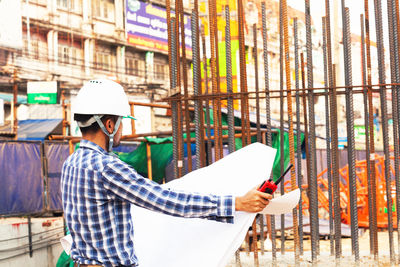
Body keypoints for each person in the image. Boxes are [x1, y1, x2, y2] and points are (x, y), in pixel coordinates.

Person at [61, 79, 272, 267]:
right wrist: (237, 203)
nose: (121, 129)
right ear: (109, 124)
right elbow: (166, 200)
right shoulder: (107, 167)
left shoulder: (71, 164)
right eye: (120, 122)